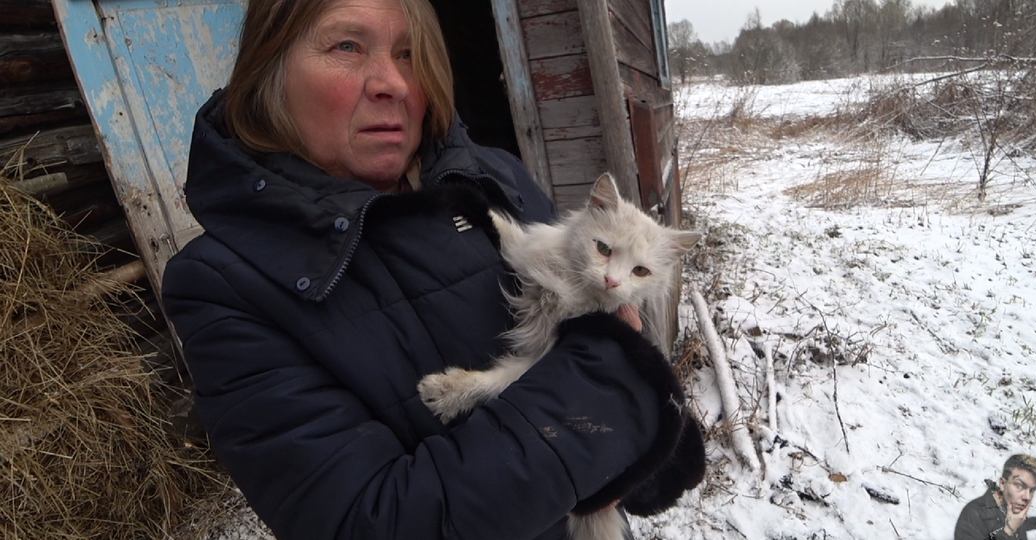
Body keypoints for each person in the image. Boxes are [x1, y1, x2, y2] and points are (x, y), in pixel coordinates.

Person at [160, 0, 699, 539]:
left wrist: (652, 444)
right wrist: (614, 394)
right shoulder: (222, 286)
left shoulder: (492, 174)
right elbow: (368, 523)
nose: (393, 82)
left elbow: (609, 326)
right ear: (269, 71)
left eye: (410, 53)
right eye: (346, 46)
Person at [954, 454, 1036, 540]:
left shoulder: (1009, 507)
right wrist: (1008, 532)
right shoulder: (973, 515)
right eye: (1019, 485)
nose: (1027, 497)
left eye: (1032, 490)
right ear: (1002, 483)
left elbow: (1021, 524)